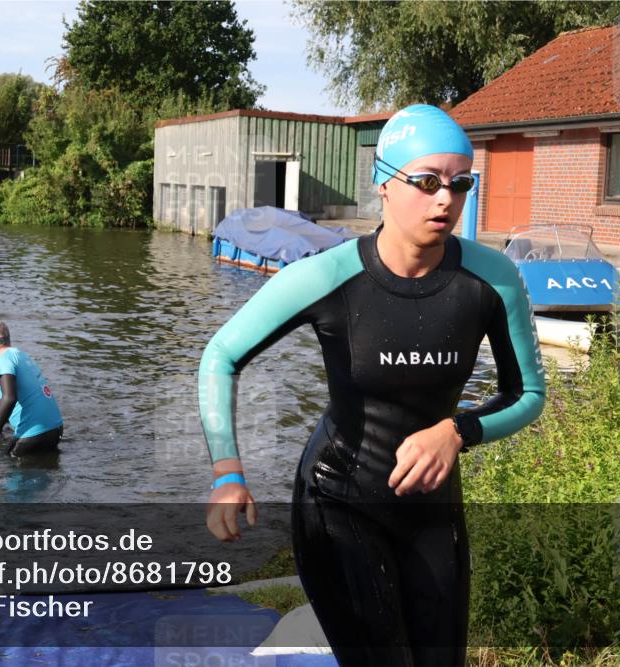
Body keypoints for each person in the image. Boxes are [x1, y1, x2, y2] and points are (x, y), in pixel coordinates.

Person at [198, 104, 545, 665]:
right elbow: (221, 356)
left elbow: (528, 394)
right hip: (338, 500)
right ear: (384, 183)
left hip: (431, 505)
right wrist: (227, 472)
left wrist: (456, 432)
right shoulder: (328, 275)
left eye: (460, 184)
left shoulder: (490, 278)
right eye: (427, 181)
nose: (445, 199)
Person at [0, 319, 63, 456]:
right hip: (55, 429)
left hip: (34, 433)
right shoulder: (22, 356)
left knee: (3, 464)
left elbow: (9, 398)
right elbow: (28, 398)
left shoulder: (3, 360)